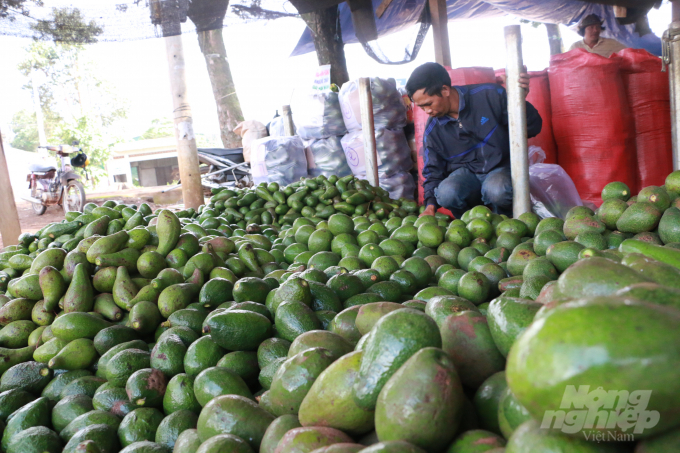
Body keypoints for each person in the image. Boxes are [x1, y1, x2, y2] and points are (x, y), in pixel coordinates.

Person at [406, 62, 542, 218]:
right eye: (422, 107)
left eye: (428, 104)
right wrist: (430, 206)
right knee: (446, 193)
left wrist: (519, 102)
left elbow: (533, 128)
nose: (427, 111)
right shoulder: (433, 130)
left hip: (501, 168)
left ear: (444, 90)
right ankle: (470, 228)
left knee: (497, 190)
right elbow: (433, 171)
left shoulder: (490, 96)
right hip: (466, 177)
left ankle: (507, 223)